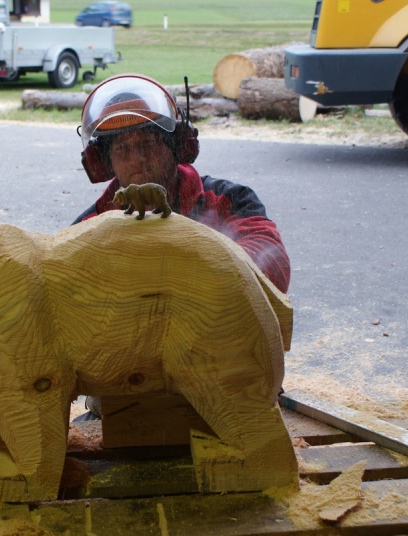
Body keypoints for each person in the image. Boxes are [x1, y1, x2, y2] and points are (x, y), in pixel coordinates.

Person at [72, 73, 290, 421]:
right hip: (128, 392)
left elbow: (273, 265)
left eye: (148, 143)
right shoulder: (88, 227)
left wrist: (183, 266)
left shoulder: (228, 199)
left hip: (227, 375)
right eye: (123, 148)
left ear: (176, 145)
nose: (138, 158)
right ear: (105, 160)